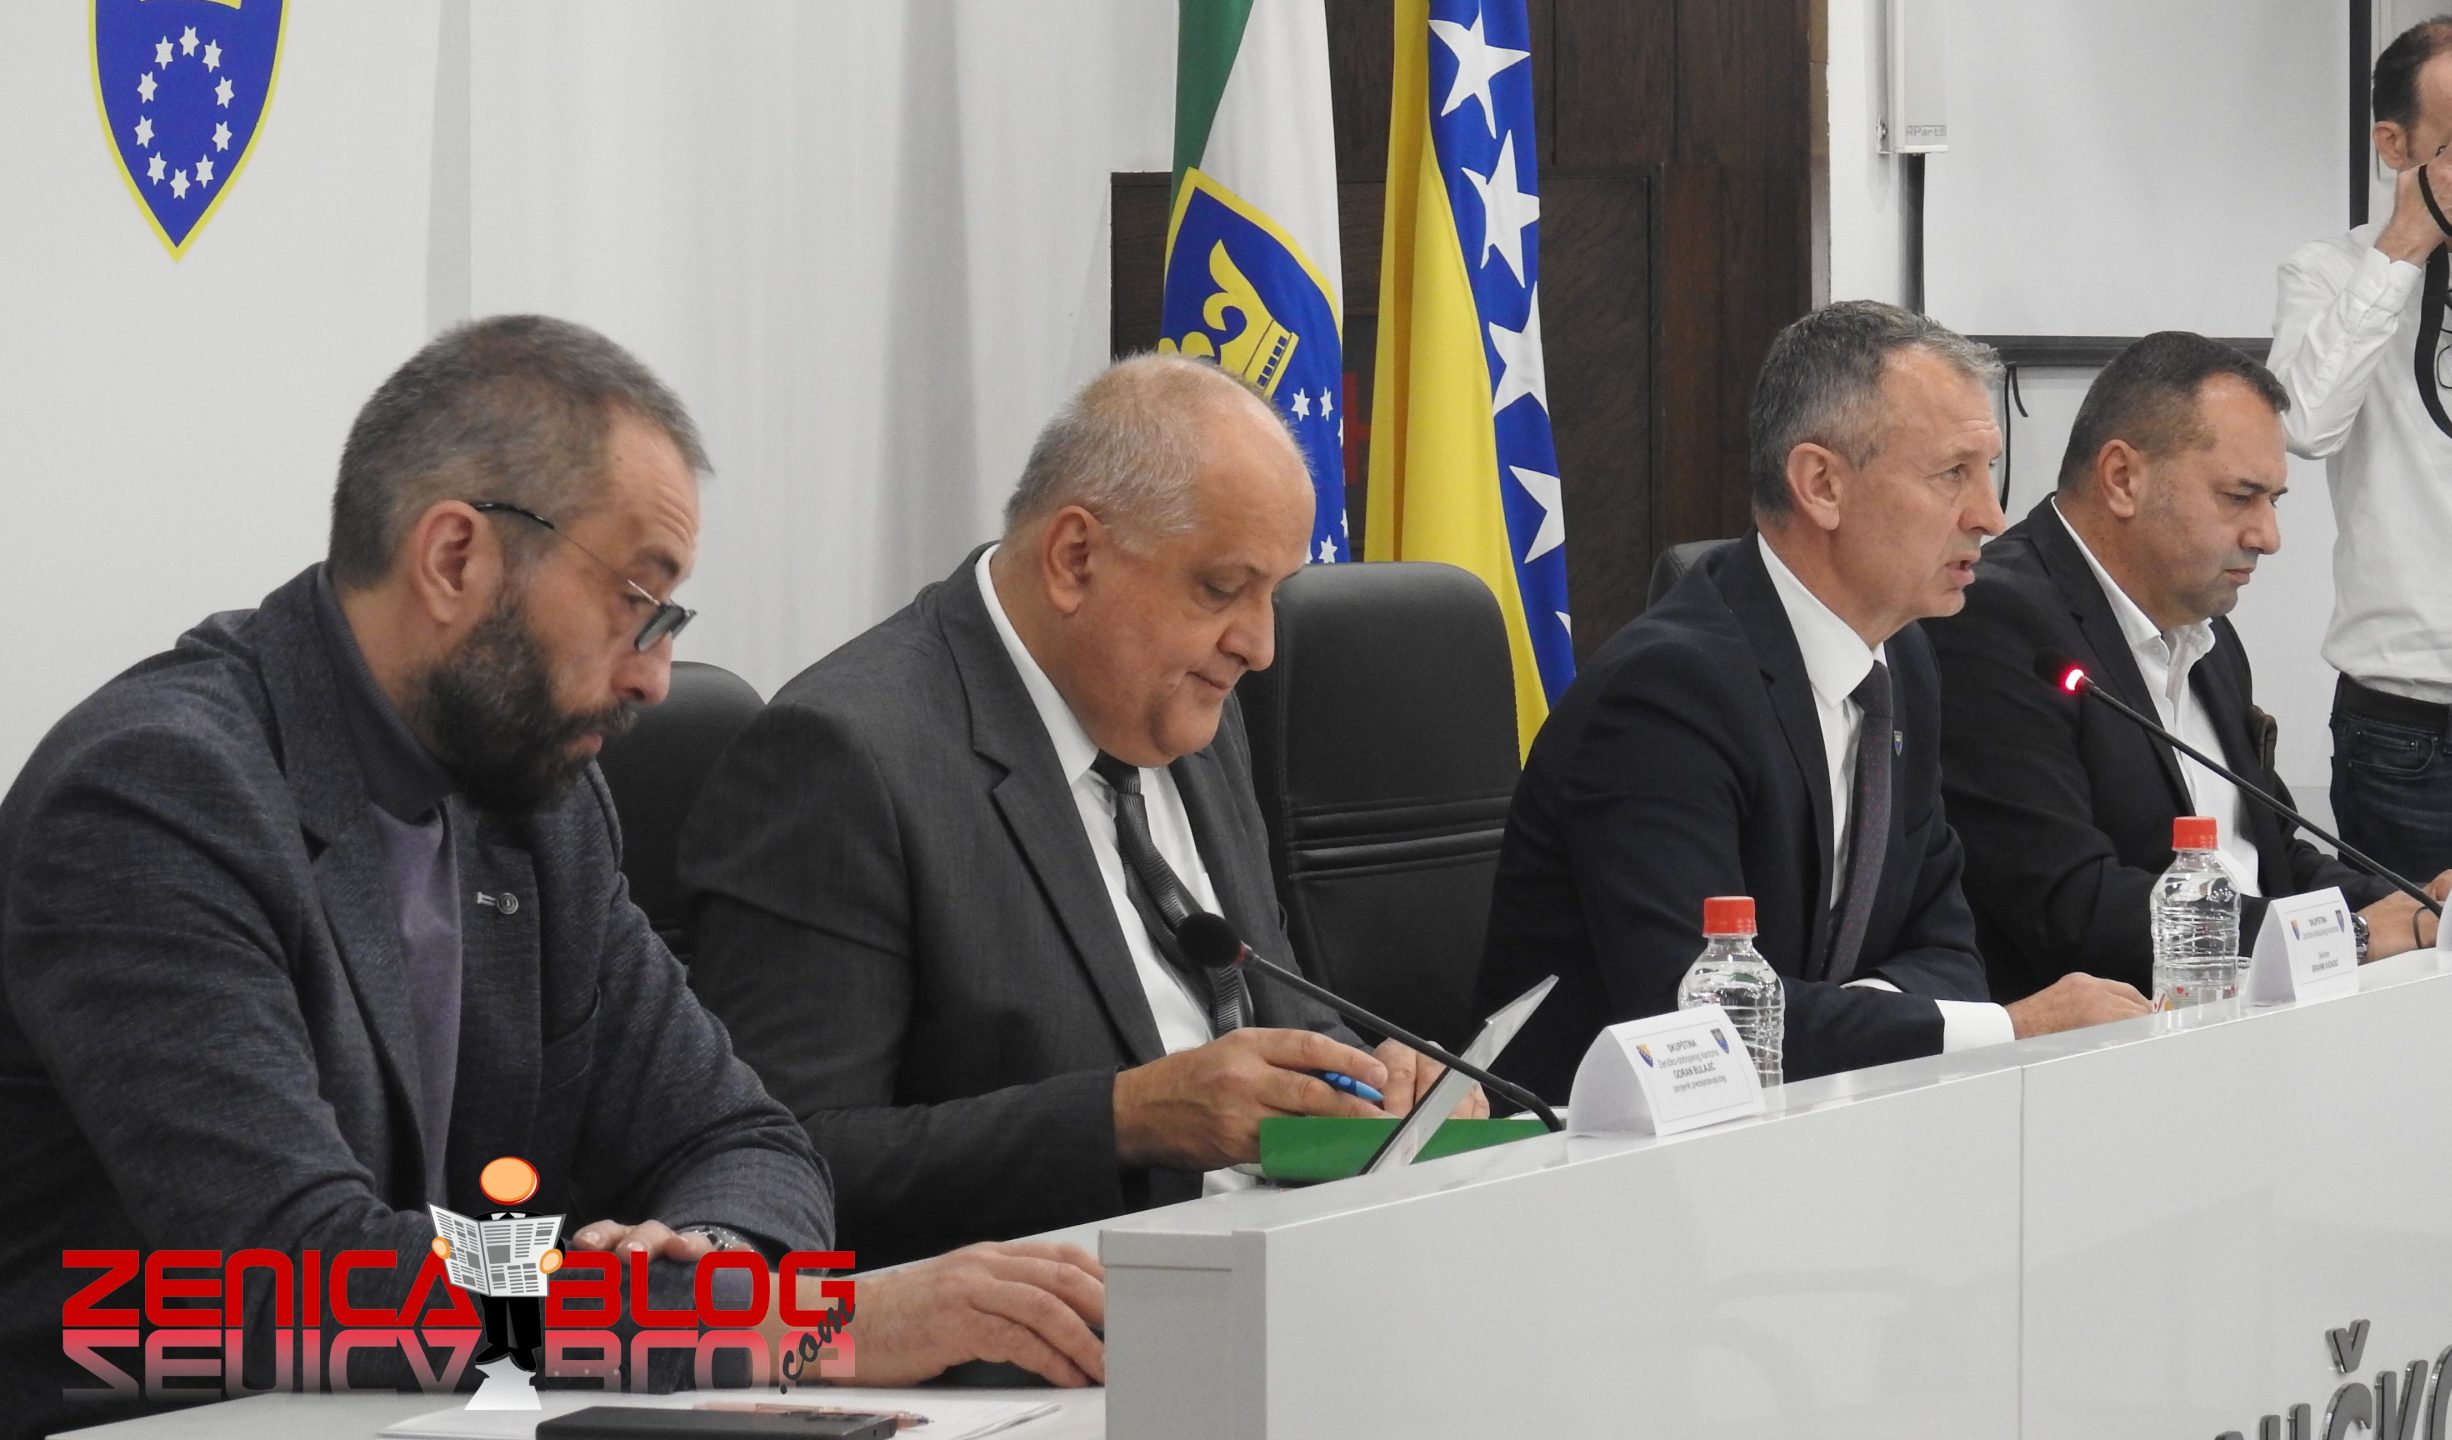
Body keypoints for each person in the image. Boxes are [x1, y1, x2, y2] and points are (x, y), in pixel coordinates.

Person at [0, 316, 1104, 1439]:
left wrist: (707, 1260)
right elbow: (297, 1275)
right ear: (455, 559)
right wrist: (778, 1321)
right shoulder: (156, 795)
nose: (657, 677)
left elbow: (747, 1142)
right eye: (636, 602)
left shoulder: (537, 806)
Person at [679, 354, 1472, 1267]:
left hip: (1291, 1264)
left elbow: (1277, 1011)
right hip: (1066, 1310)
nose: (1260, 646)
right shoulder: (846, 757)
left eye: (1273, 594)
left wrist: (1377, 1081)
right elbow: (783, 1159)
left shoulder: (1193, 706)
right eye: (1222, 589)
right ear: (1074, 558)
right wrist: (1126, 1117)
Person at [1476, 301, 2149, 1101]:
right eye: (1952, 474)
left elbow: (1947, 947)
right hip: (1589, 1145)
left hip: (1815, 1118)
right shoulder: (1665, 696)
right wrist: (2007, 1030)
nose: (1990, 516)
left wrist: (1847, 1022)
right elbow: (1701, 1022)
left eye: (1988, 471)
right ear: (1822, 485)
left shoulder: (1904, 658)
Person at [1927, 332, 2452, 1003]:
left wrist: (2413, 907)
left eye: (2273, 500)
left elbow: (2270, 856)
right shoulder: (1996, 624)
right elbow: (2068, 904)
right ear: (2123, 478)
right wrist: (2345, 935)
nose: (2268, 536)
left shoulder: (2207, 633)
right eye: (2239, 496)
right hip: (2111, 1041)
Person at [2271, 18, 2452, 887]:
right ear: (2394, 146)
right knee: (2426, 970)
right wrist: (2404, 247)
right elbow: (2302, 426)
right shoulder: (2329, 273)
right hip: (2412, 748)